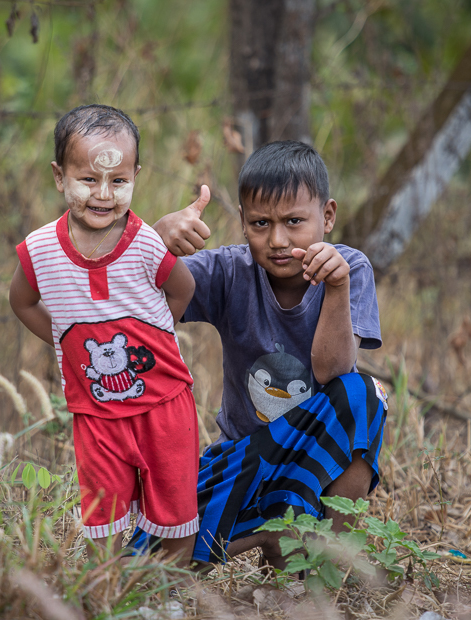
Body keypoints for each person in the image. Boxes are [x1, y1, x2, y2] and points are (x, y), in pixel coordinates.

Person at [132, 140, 388, 570]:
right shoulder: (228, 271)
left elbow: (332, 371)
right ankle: (272, 530)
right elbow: (133, 305)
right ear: (242, 222)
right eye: (260, 223)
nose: (277, 239)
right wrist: (153, 243)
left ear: (327, 216)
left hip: (314, 465)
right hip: (244, 459)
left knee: (365, 394)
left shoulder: (350, 268)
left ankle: (328, 562)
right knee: (148, 564)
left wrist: (337, 289)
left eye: (294, 221)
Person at [8, 104, 200, 566]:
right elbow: (21, 301)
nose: (104, 194)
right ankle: (110, 593)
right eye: (88, 180)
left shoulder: (146, 243)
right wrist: (64, 339)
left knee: (175, 512)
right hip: (95, 413)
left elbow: (183, 288)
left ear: (136, 175)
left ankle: (168, 596)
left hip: (163, 405)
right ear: (59, 177)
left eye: (118, 182)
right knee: (104, 518)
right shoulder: (40, 251)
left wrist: (152, 333)